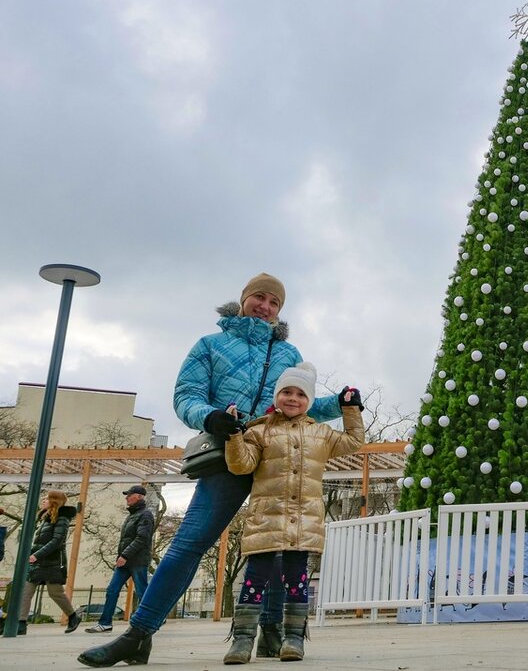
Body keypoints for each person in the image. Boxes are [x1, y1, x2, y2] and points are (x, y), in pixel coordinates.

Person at [80, 274, 346, 667]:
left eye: (274, 302)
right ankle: (139, 633)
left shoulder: (288, 353)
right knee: (189, 544)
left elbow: (299, 404)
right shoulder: (211, 345)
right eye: (259, 297)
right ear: (243, 300)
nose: (266, 306)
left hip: (275, 457)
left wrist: (341, 403)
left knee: (279, 547)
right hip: (229, 452)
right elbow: (186, 396)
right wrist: (211, 417)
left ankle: (272, 634)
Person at [222, 363, 363, 663]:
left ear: (309, 401)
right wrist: (234, 435)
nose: (293, 398)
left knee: (297, 578)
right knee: (255, 578)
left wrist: (351, 409)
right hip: (265, 518)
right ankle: (243, 640)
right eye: (287, 392)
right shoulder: (259, 431)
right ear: (277, 396)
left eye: (300, 394)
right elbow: (241, 465)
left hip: (304, 521)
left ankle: (294, 638)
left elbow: (353, 441)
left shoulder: (321, 434)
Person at [85, 485, 156, 634]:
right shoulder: (131, 516)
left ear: (139, 497)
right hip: (125, 560)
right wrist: (122, 556)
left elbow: (142, 538)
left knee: (142, 591)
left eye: (130, 495)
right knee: (112, 590)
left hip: (137, 560)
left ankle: (151, 620)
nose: (127, 497)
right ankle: (105, 623)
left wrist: (125, 555)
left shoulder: (146, 515)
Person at [18, 490, 82, 635]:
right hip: (38, 561)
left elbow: (57, 541)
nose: (43, 500)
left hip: (52, 562)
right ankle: (21, 623)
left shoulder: (62, 519)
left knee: (55, 592)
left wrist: (37, 555)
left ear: (54, 501)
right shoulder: (44, 518)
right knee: (26, 590)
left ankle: (73, 616)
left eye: (46, 498)